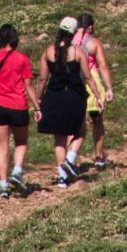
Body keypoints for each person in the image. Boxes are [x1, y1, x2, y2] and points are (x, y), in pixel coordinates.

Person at [0, 23, 38, 197]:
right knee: (21, 142)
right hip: (17, 105)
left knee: (1, 146)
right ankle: (17, 171)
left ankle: (3, 185)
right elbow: (28, 84)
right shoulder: (22, 59)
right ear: (15, 39)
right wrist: (36, 105)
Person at [36, 16, 89, 186]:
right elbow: (87, 77)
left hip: (53, 96)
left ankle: (62, 178)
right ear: (73, 33)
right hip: (74, 96)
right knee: (80, 131)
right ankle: (70, 158)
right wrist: (97, 94)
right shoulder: (77, 51)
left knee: (59, 139)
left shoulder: (48, 51)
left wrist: (37, 99)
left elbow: (43, 79)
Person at [71, 12, 115, 169]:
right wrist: (109, 87)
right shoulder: (94, 42)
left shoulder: (68, 40)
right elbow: (103, 65)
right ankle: (99, 156)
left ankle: (70, 159)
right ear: (90, 26)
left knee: (75, 122)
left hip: (73, 81)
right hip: (92, 79)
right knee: (97, 119)